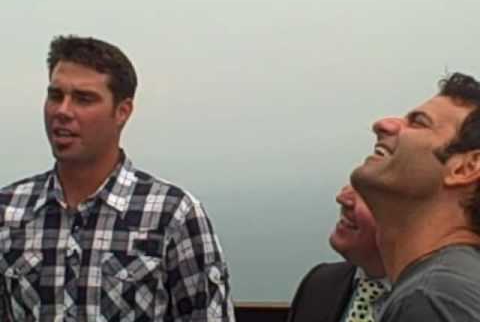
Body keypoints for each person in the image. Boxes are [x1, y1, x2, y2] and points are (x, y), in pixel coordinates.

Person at [0, 35, 235, 321]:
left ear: (122, 112)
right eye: (55, 96)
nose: (63, 111)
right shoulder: (9, 212)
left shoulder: (172, 216)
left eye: (83, 99)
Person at [351, 72, 480, 321]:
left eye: (419, 122)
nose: (383, 124)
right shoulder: (453, 286)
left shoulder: (432, 300)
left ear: (466, 168)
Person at [288, 185, 389, 322]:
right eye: (354, 183)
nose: (342, 198)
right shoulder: (319, 284)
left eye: (368, 192)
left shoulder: (424, 303)